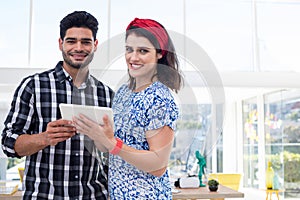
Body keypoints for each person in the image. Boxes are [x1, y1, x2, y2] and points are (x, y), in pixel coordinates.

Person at [1, 11, 114, 199]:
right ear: (61, 43)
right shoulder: (33, 86)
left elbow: (115, 154)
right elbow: (8, 143)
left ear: (95, 45)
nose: (78, 48)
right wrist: (44, 138)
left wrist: (108, 142)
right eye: (71, 41)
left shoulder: (107, 95)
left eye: (86, 42)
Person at [73, 18, 183, 199]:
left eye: (143, 51)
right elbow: (109, 146)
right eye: (129, 49)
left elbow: (158, 165)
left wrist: (112, 144)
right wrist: (96, 134)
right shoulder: (124, 92)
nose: (133, 57)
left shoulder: (160, 99)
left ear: (159, 54)